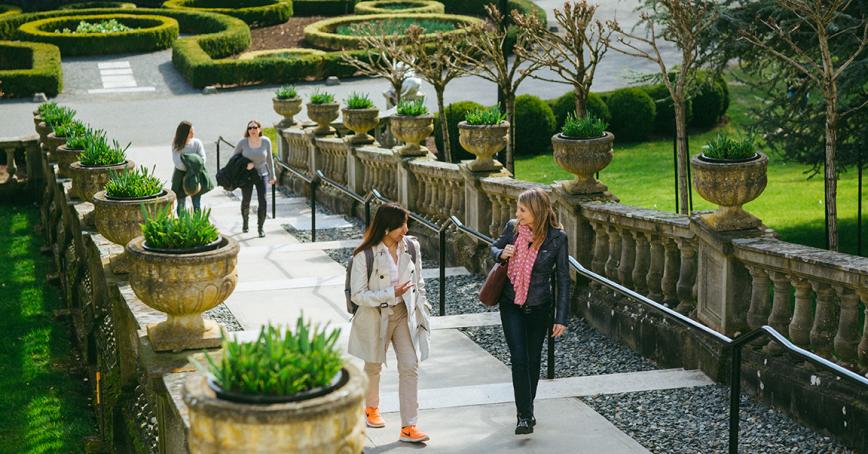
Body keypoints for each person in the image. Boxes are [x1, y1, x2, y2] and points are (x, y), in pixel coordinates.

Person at [348, 203, 431, 444]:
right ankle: (371, 407)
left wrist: (423, 306)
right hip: (376, 316)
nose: (405, 229)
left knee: (410, 365)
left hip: (404, 314)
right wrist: (390, 292)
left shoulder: (411, 247)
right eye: (401, 225)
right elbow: (357, 295)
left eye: (406, 223)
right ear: (386, 228)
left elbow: (419, 281)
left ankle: (409, 426)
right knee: (373, 366)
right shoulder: (365, 254)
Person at [490, 188, 570, 435]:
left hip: (539, 307)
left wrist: (561, 317)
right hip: (511, 303)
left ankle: (528, 407)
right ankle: (523, 415)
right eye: (518, 209)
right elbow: (493, 248)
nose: (518, 214)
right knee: (519, 359)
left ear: (537, 210)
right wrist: (502, 253)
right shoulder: (513, 228)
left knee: (534, 360)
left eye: (522, 210)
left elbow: (563, 279)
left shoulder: (557, 238)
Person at [233, 120, 275, 237]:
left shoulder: (266, 141)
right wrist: (245, 164)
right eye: (250, 128)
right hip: (247, 176)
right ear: (247, 130)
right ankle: (245, 222)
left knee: (263, 201)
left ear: (259, 129)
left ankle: (260, 228)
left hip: (262, 174)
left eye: (255, 127)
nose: (252, 130)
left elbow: (270, 160)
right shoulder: (243, 142)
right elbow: (234, 158)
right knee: (246, 200)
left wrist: (273, 175)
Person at [170, 121, 207, 216]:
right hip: (180, 176)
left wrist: (188, 162)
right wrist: (193, 162)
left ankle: (197, 225)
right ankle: (183, 224)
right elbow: (178, 163)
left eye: (193, 131)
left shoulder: (197, 143)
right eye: (190, 131)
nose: (193, 133)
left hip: (195, 175)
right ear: (184, 132)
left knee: (197, 204)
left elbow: (202, 159)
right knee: (181, 204)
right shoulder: (176, 144)